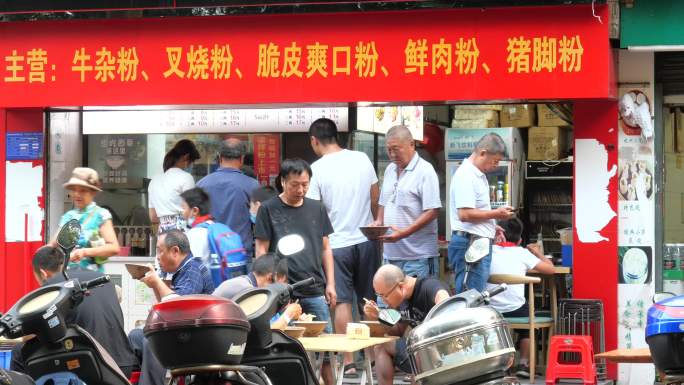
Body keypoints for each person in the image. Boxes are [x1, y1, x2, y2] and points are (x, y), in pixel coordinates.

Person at [306, 117, 380, 374]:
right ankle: (372, 357)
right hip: (366, 239)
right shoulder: (361, 158)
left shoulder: (316, 169)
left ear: (315, 141)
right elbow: (374, 196)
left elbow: (314, 212)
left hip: (336, 244)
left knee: (343, 303)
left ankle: (348, 362)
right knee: (369, 301)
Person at [254, 158, 336, 385]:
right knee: (281, 348)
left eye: (305, 184)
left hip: (315, 288)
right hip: (281, 293)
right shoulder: (268, 209)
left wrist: (331, 283)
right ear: (282, 182)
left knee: (326, 350)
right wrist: (265, 289)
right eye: (294, 185)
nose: (300, 190)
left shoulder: (317, 208)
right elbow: (261, 250)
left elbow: (326, 248)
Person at [10, 245, 139, 377]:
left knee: (19, 351)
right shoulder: (100, 277)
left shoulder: (52, 287)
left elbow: (29, 335)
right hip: (123, 364)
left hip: (90, 367)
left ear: (43, 273)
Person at [129, 230, 214, 385]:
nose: (157, 257)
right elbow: (166, 306)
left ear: (175, 251)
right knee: (135, 336)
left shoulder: (193, 270)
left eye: (160, 251)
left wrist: (156, 282)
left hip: (195, 338)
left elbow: (178, 309)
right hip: (181, 333)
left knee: (154, 341)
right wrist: (155, 284)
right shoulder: (182, 271)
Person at [485, 218, 554, 378]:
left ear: (498, 234)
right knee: (528, 325)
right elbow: (550, 269)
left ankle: (494, 365)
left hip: (491, 311)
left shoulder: (487, 252)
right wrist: (536, 252)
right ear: (520, 240)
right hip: (516, 310)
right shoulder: (522, 253)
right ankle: (524, 363)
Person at [449, 133, 515, 293]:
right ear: (483, 153)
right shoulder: (466, 175)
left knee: (475, 295)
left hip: (476, 242)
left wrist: (492, 226)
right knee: (470, 297)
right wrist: (495, 214)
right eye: (495, 161)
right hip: (470, 243)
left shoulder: (478, 175)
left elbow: (475, 211)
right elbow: (464, 214)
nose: (496, 165)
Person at [363, 264, 449, 385]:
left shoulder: (429, 286)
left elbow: (445, 300)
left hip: (442, 351)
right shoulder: (401, 298)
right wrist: (379, 316)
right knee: (382, 346)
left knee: (420, 353)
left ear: (401, 287)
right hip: (417, 350)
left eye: (384, 295)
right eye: (379, 296)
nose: (383, 301)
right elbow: (397, 331)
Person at [374, 125, 441, 279]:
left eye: (396, 149)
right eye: (389, 149)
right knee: (387, 302)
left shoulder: (425, 170)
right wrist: (378, 222)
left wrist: (404, 233)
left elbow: (432, 211)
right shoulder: (390, 169)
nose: (392, 154)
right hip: (390, 256)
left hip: (418, 257)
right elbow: (384, 201)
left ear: (412, 144)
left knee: (417, 302)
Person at [197, 138, 260, 258]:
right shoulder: (252, 185)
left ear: (219, 157)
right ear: (242, 159)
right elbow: (259, 222)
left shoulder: (201, 184)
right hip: (239, 255)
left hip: (209, 254)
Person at [51, 167, 120, 272]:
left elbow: (114, 248)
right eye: (74, 190)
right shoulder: (68, 216)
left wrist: (85, 252)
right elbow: (53, 245)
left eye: (83, 191)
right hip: (69, 277)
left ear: (93, 192)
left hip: (92, 279)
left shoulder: (101, 215)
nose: (77, 194)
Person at [213, 252, 302, 330]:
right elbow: (268, 333)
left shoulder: (244, 282)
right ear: (270, 277)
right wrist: (288, 314)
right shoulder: (247, 290)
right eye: (281, 287)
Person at [148, 139, 200, 232]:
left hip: (162, 234)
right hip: (181, 233)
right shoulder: (186, 177)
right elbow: (191, 211)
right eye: (191, 162)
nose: (190, 166)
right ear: (186, 157)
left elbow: (153, 217)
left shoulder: (154, 181)